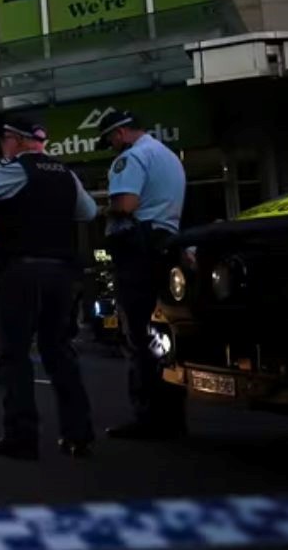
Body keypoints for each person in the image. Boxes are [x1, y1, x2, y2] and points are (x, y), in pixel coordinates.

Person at [0, 116, 98, 460]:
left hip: (20, 271)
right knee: (60, 351)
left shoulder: (17, 170)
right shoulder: (66, 174)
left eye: (4, 140)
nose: (3, 147)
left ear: (15, 140)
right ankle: (79, 434)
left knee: (13, 354)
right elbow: (88, 211)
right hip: (61, 273)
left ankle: (22, 436)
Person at [93, 109, 188, 440]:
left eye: (110, 140)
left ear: (119, 134)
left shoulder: (130, 158)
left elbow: (125, 205)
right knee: (164, 334)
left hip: (138, 249)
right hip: (165, 245)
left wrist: (102, 209)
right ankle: (173, 416)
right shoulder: (167, 156)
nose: (111, 146)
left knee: (139, 334)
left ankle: (148, 415)